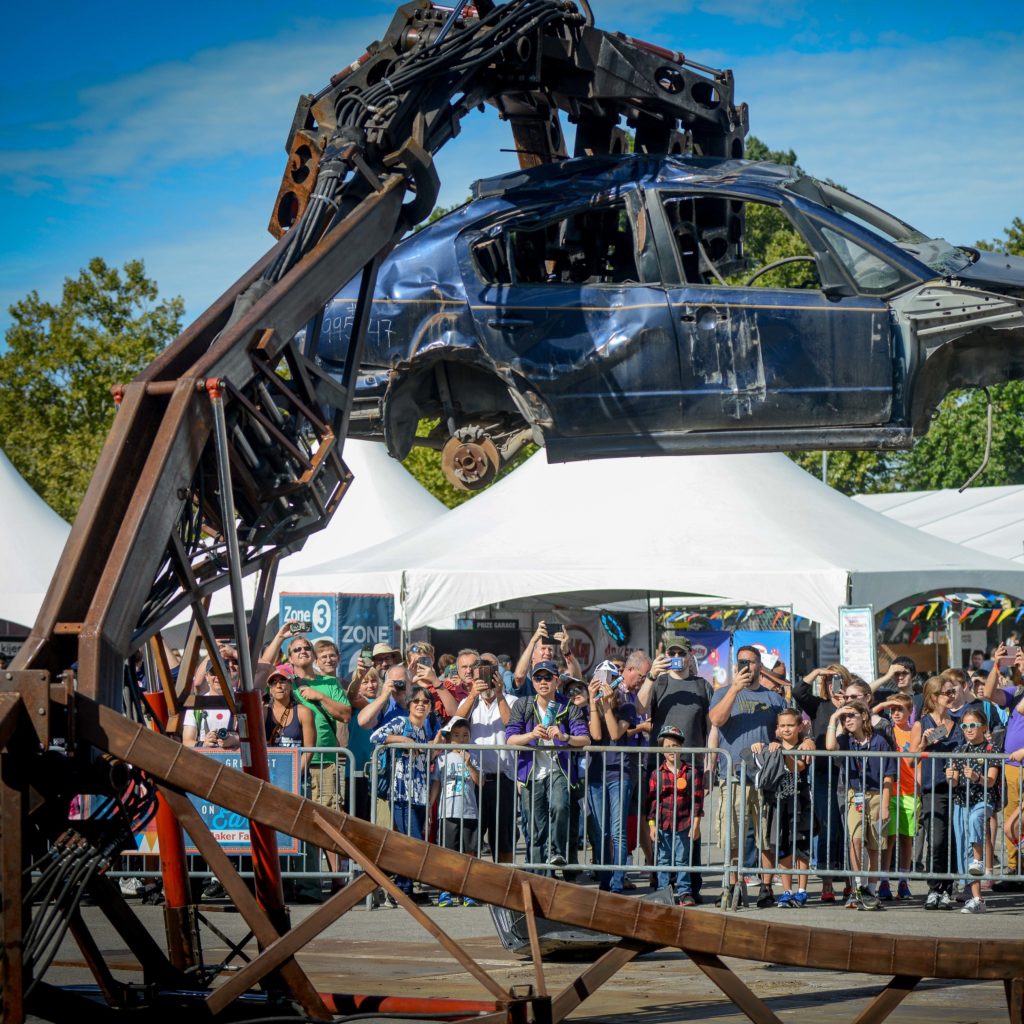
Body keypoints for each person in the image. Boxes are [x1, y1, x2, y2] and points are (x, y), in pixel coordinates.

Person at [709, 645, 793, 907]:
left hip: (766, 778)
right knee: (732, 836)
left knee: (765, 836)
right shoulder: (723, 693)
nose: (746, 665)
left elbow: (790, 729)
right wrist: (734, 689)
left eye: (751, 661)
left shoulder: (774, 699)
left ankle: (766, 888)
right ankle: (733, 886)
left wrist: (782, 742)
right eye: (742, 661)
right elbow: (716, 720)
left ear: (760, 666)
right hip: (734, 776)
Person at [505, 660, 589, 871]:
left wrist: (564, 736)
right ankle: (538, 872)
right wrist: (531, 735)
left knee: (560, 807)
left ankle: (556, 852)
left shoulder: (568, 706)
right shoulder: (523, 704)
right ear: (533, 682)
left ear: (557, 681)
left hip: (558, 769)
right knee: (535, 826)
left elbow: (585, 739)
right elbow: (510, 739)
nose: (543, 682)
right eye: (538, 678)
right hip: (530, 773)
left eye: (548, 677)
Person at [370, 685, 438, 903]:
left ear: (430, 707)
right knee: (413, 843)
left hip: (419, 794)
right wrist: (402, 740)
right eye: (416, 701)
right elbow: (375, 736)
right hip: (400, 793)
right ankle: (398, 889)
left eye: (425, 702)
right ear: (409, 704)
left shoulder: (425, 729)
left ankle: (405, 889)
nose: (420, 705)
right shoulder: (401, 722)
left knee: (412, 844)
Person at [826, 699, 894, 911]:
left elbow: (889, 776)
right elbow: (830, 747)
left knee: (874, 845)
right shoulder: (846, 740)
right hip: (854, 794)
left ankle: (871, 890)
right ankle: (858, 887)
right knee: (855, 840)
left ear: (864, 716)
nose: (847, 720)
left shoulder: (880, 741)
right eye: (844, 717)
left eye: (851, 716)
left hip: (876, 795)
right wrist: (833, 718)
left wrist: (885, 805)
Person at [793, 663, 851, 902]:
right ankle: (827, 882)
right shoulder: (819, 705)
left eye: (838, 679)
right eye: (830, 680)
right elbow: (798, 692)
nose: (834, 685)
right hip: (823, 773)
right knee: (827, 826)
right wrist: (817, 673)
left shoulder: (853, 706)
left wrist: (848, 702)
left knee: (848, 827)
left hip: (849, 773)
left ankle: (850, 882)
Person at [454, 659, 518, 863]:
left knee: (503, 838)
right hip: (474, 779)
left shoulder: (511, 700)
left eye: (490, 676)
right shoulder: (470, 702)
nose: (485, 682)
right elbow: (455, 724)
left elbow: (512, 725)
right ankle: (471, 880)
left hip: (504, 778)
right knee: (471, 838)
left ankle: (504, 880)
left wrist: (499, 694)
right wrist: (473, 694)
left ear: (498, 677)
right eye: (480, 678)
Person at [751, 708, 812, 908]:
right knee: (784, 848)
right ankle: (787, 891)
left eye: (791, 725)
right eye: (782, 725)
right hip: (779, 803)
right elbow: (758, 756)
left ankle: (802, 890)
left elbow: (799, 767)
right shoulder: (773, 746)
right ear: (777, 728)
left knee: (801, 848)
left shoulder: (804, 746)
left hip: (801, 803)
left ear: (799, 727)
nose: (786, 729)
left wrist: (782, 754)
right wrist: (759, 747)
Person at [911, 675, 963, 909]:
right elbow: (910, 760)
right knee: (937, 840)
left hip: (958, 789)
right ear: (934, 697)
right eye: (947, 692)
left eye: (953, 692)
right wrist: (923, 745)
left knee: (953, 841)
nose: (952, 696)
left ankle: (947, 890)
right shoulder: (922, 724)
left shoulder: (959, 723)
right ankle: (934, 888)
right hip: (934, 788)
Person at [585, 668, 638, 894]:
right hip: (596, 775)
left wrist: (607, 705)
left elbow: (615, 734)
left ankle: (617, 882)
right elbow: (596, 735)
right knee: (601, 832)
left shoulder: (627, 707)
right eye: (599, 680)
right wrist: (592, 700)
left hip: (619, 774)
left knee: (618, 832)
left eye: (609, 680)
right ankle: (605, 880)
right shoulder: (590, 708)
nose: (604, 684)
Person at [947, 707, 1000, 914]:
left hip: (983, 800)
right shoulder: (959, 751)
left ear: (984, 727)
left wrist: (977, 777)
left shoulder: (991, 749)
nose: (968, 729)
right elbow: (954, 782)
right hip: (961, 801)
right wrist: (951, 777)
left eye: (972, 725)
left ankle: (979, 861)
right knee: (962, 846)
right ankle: (975, 896)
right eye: (964, 726)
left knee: (975, 820)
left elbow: (991, 781)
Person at [982, 644, 1024, 892]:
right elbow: (989, 694)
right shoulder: (1016, 691)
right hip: (1012, 765)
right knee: (1010, 817)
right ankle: (1015, 869)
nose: (1018, 662)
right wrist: (996, 665)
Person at [647, 725, 704, 906]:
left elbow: (697, 801)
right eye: (668, 746)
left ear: (681, 747)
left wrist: (696, 825)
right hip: (662, 824)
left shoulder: (691, 772)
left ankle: (684, 892)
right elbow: (652, 802)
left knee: (682, 859)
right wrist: (652, 825)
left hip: (684, 823)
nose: (672, 750)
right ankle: (663, 891)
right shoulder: (657, 774)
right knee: (663, 859)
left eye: (675, 746)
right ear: (662, 750)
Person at [431, 716, 482, 908]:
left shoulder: (473, 756)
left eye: (465, 735)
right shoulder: (442, 758)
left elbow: (480, 781)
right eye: (456, 735)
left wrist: (469, 764)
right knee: (447, 852)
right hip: (447, 811)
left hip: (469, 811)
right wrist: (430, 806)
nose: (461, 739)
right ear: (449, 738)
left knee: (469, 852)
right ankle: (445, 890)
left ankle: (468, 890)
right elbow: (436, 783)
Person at [872, 692, 915, 900]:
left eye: (900, 709)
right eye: (893, 710)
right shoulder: (885, 729)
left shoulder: (915, 731)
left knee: (906, 839)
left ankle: (904, 881)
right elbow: (867, 715)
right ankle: (884, 881)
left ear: (910, 711)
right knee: (888, 839)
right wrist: (884, 703)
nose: (896, 713)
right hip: (890, 791)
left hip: (910, 792)